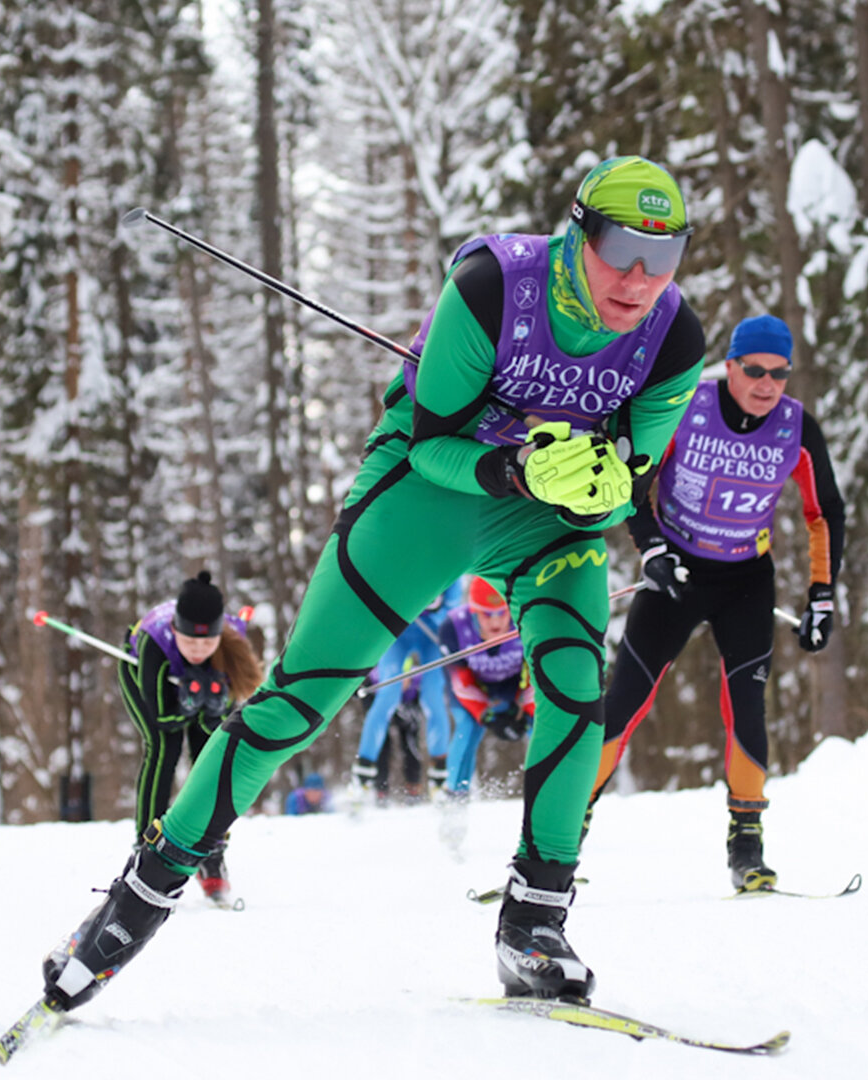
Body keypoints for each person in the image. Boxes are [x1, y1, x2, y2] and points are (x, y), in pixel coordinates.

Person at [36, 155, 705, 1014]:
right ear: (578, 232)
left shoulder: (675, 338)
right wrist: (517, 469)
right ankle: (134, 903)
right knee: (299, 700)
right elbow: (432, 443)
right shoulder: (494, 286)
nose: (641, 278)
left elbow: (634, 467)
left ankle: (533, 924)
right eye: (622, 248)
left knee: (578, 693)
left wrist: (609, 482)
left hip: (549, 523)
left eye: (667, 255)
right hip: (432, 490)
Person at [586, 314, 845, 893]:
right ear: (731, 366)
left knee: (746, 707)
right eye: (754, 370)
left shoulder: (797, 429)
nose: (767, 384)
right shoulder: (688, 407)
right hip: (675, 572)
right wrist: (651, 550)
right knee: (624, 700)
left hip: (744, 581)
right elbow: (632, 484)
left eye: (779, 373)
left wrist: (822, 594)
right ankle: (562, 838)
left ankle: (746, 849)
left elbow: (824, 512)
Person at [120, 571, 264, 902]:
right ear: (175, 630)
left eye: (206, 642)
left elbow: (225, 716)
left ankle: (212, 854)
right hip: (142, 675)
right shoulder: (155, 642)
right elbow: (161, 717)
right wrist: (186, 705)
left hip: (199, 689)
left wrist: (213, 708)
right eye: (190, 642)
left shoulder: (230, 643)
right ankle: (147, 846)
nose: (198, 650)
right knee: (163, 749)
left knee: (211, 755)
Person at [352, 582, 462, 802]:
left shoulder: (447, 559)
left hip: (431, 633)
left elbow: (452, 607)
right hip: (397, 635)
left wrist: (434, 609)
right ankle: (362, 775)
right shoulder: (400, 554)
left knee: (433, 698)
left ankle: (440, 776)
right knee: (387, 698)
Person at [438, 575, 534, 799]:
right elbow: (460, 682)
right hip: (473, 689)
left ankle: (549, 788)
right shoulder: (453, 628)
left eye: (502, 612)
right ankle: (455, 794)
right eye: (487, 614)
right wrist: (487, 714)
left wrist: (525, 708)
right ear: (473, 611)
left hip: (512, 686)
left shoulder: (525, 620)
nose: (495, 621)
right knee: (467, 728)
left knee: (540, 720)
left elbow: (535, 673)